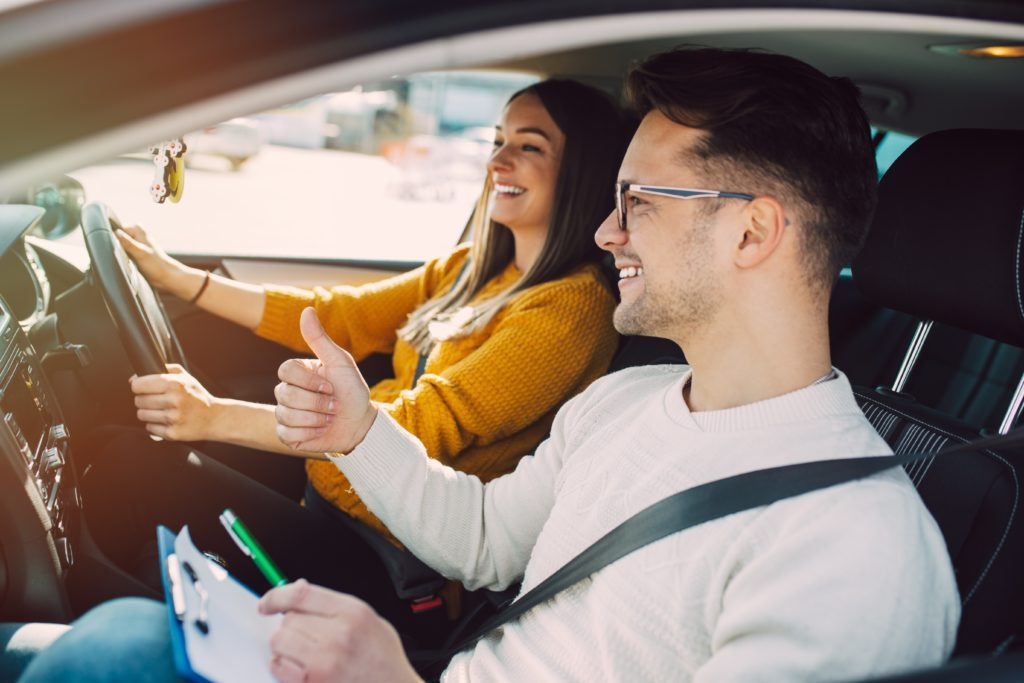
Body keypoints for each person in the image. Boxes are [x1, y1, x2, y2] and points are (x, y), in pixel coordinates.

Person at [12, 46, 959, 682]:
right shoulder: (626, 403)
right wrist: (357, 430)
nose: (605, 229)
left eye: (640, 202)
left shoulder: (858, 553)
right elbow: (481, 538)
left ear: (753, 230)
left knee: (119, 650)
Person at [77, 79, 626, 615]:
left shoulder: (569, 311)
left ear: (582, 171)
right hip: (329, 500)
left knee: (126, 464)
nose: (497, 162)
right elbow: (342, 317)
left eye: (529, 146)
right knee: (121, 453)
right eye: (497, 140)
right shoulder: (472, 270)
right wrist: (178, 279)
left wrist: (211, 416)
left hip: (388, 563)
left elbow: (412, 425)